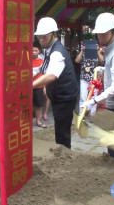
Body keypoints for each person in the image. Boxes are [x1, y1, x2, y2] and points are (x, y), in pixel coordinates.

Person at [81, 12, 114, 162]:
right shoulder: (111, 49)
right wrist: (104, 70)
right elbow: (113, 70)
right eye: (99, 34)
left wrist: (94, 100)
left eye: (104, 34)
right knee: (113, 143)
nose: (101, 37)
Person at [33, 17, 78, 149]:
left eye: (45, 36)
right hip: (60, 96)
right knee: (60, 128)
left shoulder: (57, 52)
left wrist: (27, 86)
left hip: (65, 98)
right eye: (39, 36)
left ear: (54, 34)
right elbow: (41, 69)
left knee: (63, 133)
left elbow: (51, 75)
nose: (41, 39)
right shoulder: (49, 49)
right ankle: (62, 154)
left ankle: (64, 156)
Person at [75, 40, 102, 115]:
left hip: (94, 79)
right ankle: (81, 114)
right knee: (83, 97)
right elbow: (77, 60)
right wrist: (82, 51)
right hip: (84, 78)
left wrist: (97, 51)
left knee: (94, 98)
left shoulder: (96, 53)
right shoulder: (83, 52)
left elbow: (102, 60)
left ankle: (92, 115)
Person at [32, 41, 46, 128]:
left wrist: (44, 87)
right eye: (32, 50)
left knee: (39, 105)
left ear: (39, 51)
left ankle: (38, 121)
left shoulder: (42, 61)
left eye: (35, 50)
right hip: (27, 86)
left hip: (39, 86)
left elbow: (44, 75)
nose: (34, 52)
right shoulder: (26, 60)